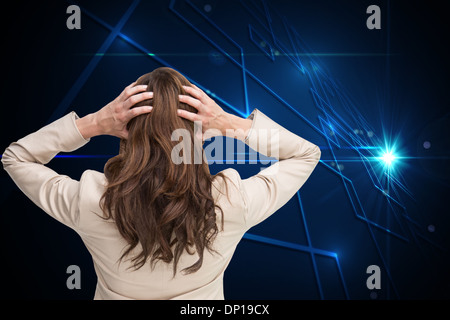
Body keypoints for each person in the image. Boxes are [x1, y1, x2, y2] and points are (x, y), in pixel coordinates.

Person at [2, 67, 321, 299]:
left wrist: (95, 123)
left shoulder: (91, 201)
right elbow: (306, 155)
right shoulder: (231, 201)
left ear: (128, 130)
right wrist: (228, 123)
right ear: (195, 133)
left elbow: (16, 158)